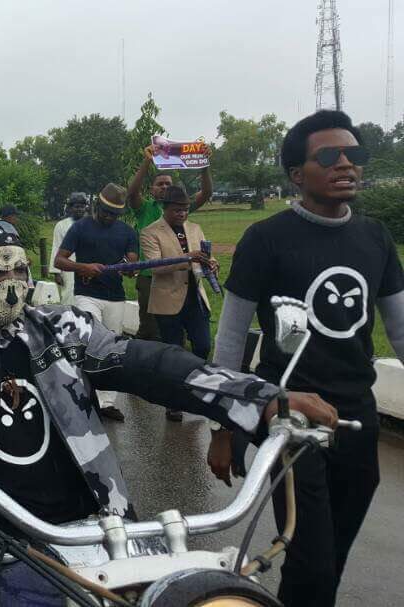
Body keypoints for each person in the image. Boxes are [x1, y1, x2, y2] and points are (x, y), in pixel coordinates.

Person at [0, 219, 339, 607]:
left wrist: (259, 397)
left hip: (91, 529)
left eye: (19, 267)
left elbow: (151, 364)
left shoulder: (64, 329)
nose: (10, 281)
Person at [208, 110, 403, 607]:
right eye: (329, 156)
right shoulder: (265, 239)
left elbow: (400, 329)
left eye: (354, 155)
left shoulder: (375, 238)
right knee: (311, 556)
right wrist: (222, 427)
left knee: (333, 555)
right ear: (298, 174)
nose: (346, 165)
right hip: (287, 417)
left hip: (356, 416)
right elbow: (231, 338)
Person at [53, 183, 139, 422]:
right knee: (91, 340)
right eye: (105, 211)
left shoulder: (127, 232)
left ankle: (106, 402)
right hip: (87, 295)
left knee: (112, 350)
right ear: (97, 206)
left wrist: (131, 267)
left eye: (114, 214)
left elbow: (133, 259)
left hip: (116, 297)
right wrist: (84, 267)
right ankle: (84, 394)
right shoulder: (79, 228)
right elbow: (60, 261)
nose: (109, 217)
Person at [140, 185, 218, 422]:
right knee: (173, 352)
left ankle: (196, 387)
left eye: (185, 210)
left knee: (203, 345)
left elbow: (205, 256)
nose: (182, 214)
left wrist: (211, 264)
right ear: (166, 208)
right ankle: (173, 401)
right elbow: (154, 267)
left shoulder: (195, 228)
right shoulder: (150, 232)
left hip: (195, 297)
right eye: (177, 210)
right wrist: (186, 258)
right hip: (168, 300)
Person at [126, 144, 213, 341]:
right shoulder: (145, 208)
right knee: (150, 328)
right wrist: (147, 161)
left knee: (176, 330)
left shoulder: (181, 208)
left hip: (180, 277)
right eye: (160, 184)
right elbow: (131, 194)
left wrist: (204, 165)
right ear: (152, 189)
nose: (165, 187)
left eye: (168, 184)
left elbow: (206, 194)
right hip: (150, 277)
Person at [48, 193, 89, 305]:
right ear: (70, 208)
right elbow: (56, 247)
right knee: (69, 294)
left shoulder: (91, 224)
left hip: (88, 266)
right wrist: (56, 273)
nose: (79, 209)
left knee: (88, 297)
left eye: (82, 206)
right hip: (67, 266)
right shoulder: (61, 225)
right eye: (76, 206)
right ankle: (68, 318)